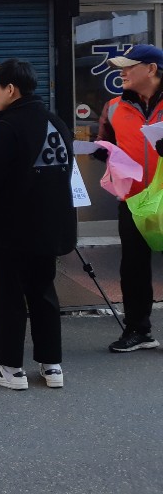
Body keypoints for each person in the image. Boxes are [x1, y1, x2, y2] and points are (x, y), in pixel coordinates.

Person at [0, 60, 75, 390]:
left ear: (10, 89)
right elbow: (36, 166)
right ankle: (52, 367)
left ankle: (9, 370)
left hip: (13, 230)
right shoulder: (56, 123)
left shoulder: (9, 126)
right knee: (43, 293)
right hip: (50, 227)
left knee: (8, 298)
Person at [95, 44, 163, 352]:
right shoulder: (113, 107)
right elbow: (104, 143)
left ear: (151, 69)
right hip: (133, 199)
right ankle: (138, 330)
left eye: (129, 66)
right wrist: (101, 153)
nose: (121, 72)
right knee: (133, 267)